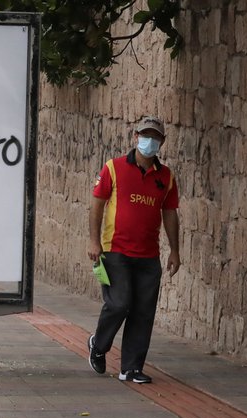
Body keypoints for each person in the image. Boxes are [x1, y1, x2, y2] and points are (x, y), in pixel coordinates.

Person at [86, 116, 181, 384]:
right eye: (145, 135)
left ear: (162, 142)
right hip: (116, 250)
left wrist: (175, 250)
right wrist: (94, 241)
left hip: (149, 255)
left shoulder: (166, 177)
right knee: (119, 303)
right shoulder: (113, 168)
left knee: (143, 311)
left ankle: (131, 367)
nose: (149, 141)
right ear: (135, 137)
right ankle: (98, 344)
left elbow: (170, 213)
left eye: (155, 136)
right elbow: (97, 204)